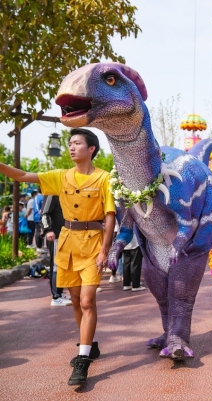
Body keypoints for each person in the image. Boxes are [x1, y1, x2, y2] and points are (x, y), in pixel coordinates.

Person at [0, 128, 116, 386]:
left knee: (87, 301)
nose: (72, 147)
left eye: (77, 143)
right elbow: (20, 175)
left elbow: (109, 216)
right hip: (67, 245)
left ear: (91, 149)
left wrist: (105, 250)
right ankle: (90, 345)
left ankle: (82, 359)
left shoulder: (105, 179)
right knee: (75, 300)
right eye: (70, 143)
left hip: (93, 244)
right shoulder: (61, 176)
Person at [40, 195, 72, 306]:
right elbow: (44, 213)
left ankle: (60, 292)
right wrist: (48, 229)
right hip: (55, 235)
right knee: (55, 266)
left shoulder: (62, 191)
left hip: (64, 234)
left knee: (62, 265)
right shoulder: (52, 192)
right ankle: (56, 297)